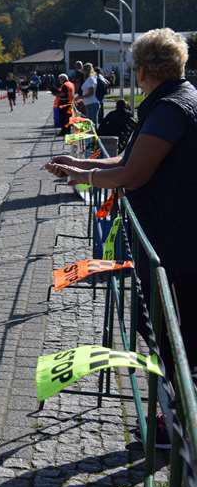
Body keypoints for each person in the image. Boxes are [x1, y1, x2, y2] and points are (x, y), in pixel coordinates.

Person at [46, 28, 196, 388]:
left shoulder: (169, 109)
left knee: (167, 326)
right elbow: (127, 159)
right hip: (173, 234)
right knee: (158, 322)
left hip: (173, 239)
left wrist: (84, 178)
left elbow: (133, 174)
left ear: (142, 70)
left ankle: (175, 406)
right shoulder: (174, 99)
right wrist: (79, 165)